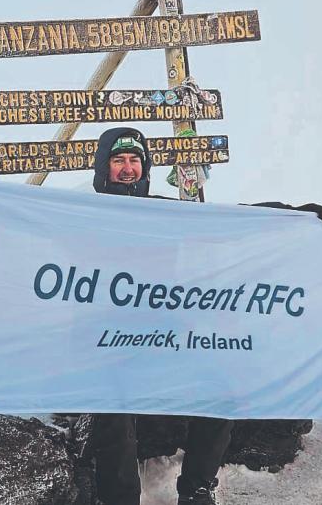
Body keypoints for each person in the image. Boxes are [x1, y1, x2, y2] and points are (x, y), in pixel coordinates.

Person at [90, 126, 234, 505]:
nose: (126, 168)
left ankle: (197, 488)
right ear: (103, 167)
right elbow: (13, 211)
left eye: (134, 160)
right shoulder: (81, 212)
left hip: (163, 335)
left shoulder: (166, 212)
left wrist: (292, 217)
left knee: (221, 388)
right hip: (101, 339)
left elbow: (232, 224)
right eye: (117, 160)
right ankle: (120, 499)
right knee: (114, 404)